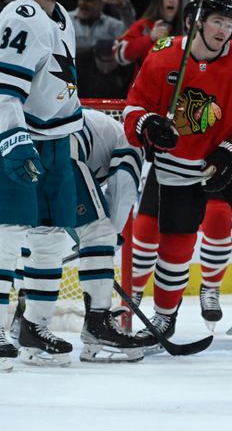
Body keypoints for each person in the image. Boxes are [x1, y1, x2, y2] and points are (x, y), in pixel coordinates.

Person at [122, 0, 232, 349]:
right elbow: (134, 107)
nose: (223, 30)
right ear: (196, 22)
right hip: (180, 165)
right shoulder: (162, 57)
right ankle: (164, 317)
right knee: (174, 246)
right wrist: (148, 126)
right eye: (217, 20)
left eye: (230, 22)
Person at [0, 0, 83, 371]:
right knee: (8, 235)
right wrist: (12, 139)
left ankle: (35, 326)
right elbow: (4, 89)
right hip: (23, 137)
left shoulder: (61, 15)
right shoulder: (20, 16)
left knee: (51, 239)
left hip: (56, 140)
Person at [71, 108, 146, 362]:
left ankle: (25, 320)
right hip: (65, 150)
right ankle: (97, 324)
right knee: (99, 231)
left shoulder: (106, 127)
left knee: (38, 235)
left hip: (29, 146)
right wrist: (106, 244)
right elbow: (122, 190)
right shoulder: (131, 141)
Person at [113, 0, 182, 75]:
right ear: (158, 0)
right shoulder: (143, 25)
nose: (170, 0)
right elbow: (119, 55)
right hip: (145, 86)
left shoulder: (187, 28)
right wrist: (149, 38)